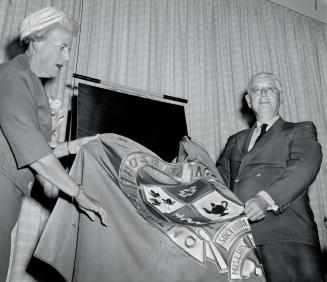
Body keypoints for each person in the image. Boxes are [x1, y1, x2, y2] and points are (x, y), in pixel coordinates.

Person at [0, 7, 107, 280]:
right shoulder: (14, 77)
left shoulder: (26, 80)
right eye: (62, 47)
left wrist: (73, 146)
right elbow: (33, 152)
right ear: (36, 41)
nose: (67, 56)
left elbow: (25, 146)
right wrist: (79, 194)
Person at [216, 72, 324, 282]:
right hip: (239, 240)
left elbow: (305, 165)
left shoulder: (300, 129)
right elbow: (218, 179)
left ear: (280, 96)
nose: (263, 94)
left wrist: (265, 199)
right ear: (248, 100)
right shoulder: (234, 140)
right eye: (256, 90)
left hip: (284, 234)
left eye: (270, 89)